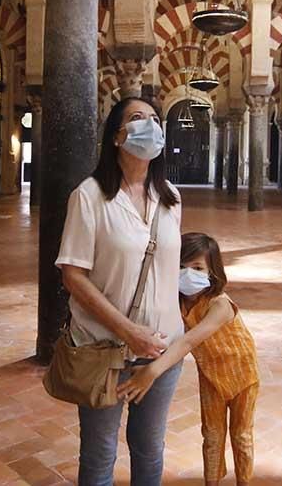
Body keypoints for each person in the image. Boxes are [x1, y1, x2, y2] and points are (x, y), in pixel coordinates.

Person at [56, 96, 184, 486]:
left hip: (162, 350)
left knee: (149, 450)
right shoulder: (90, 197)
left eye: (154, 119)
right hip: (104, 348)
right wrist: (129, 331)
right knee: (99, 456)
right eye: (136, 118)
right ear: (117, 136)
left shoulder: (171, 198)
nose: (148, 125)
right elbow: (73, 276)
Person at [118, 233, 259, 486]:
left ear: (212, 271)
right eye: (181, 266)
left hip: (243, 376)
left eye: (197, 268)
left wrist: (152, 372)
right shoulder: (178, 303)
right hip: (211, 376)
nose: (187, 273)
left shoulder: (220, 305)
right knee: (212, 436)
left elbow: (188, 341)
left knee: (241, 436)